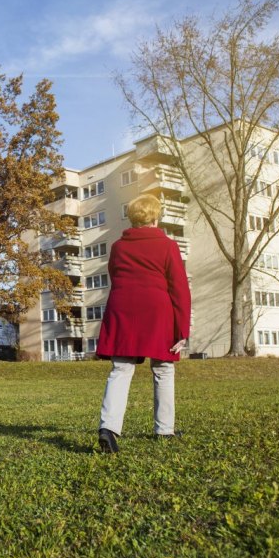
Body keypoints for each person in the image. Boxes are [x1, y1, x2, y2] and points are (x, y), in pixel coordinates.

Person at [95, 193, 191, 453]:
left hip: (123, 308)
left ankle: (108, 428)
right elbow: (179, 288)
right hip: (157, 311)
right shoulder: (168, 246)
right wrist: (182, 329)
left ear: (133, 218)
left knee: (121, 369)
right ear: (155, 217)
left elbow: (114, 274)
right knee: (163, 370)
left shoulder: (118, 246)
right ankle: (164, 430)